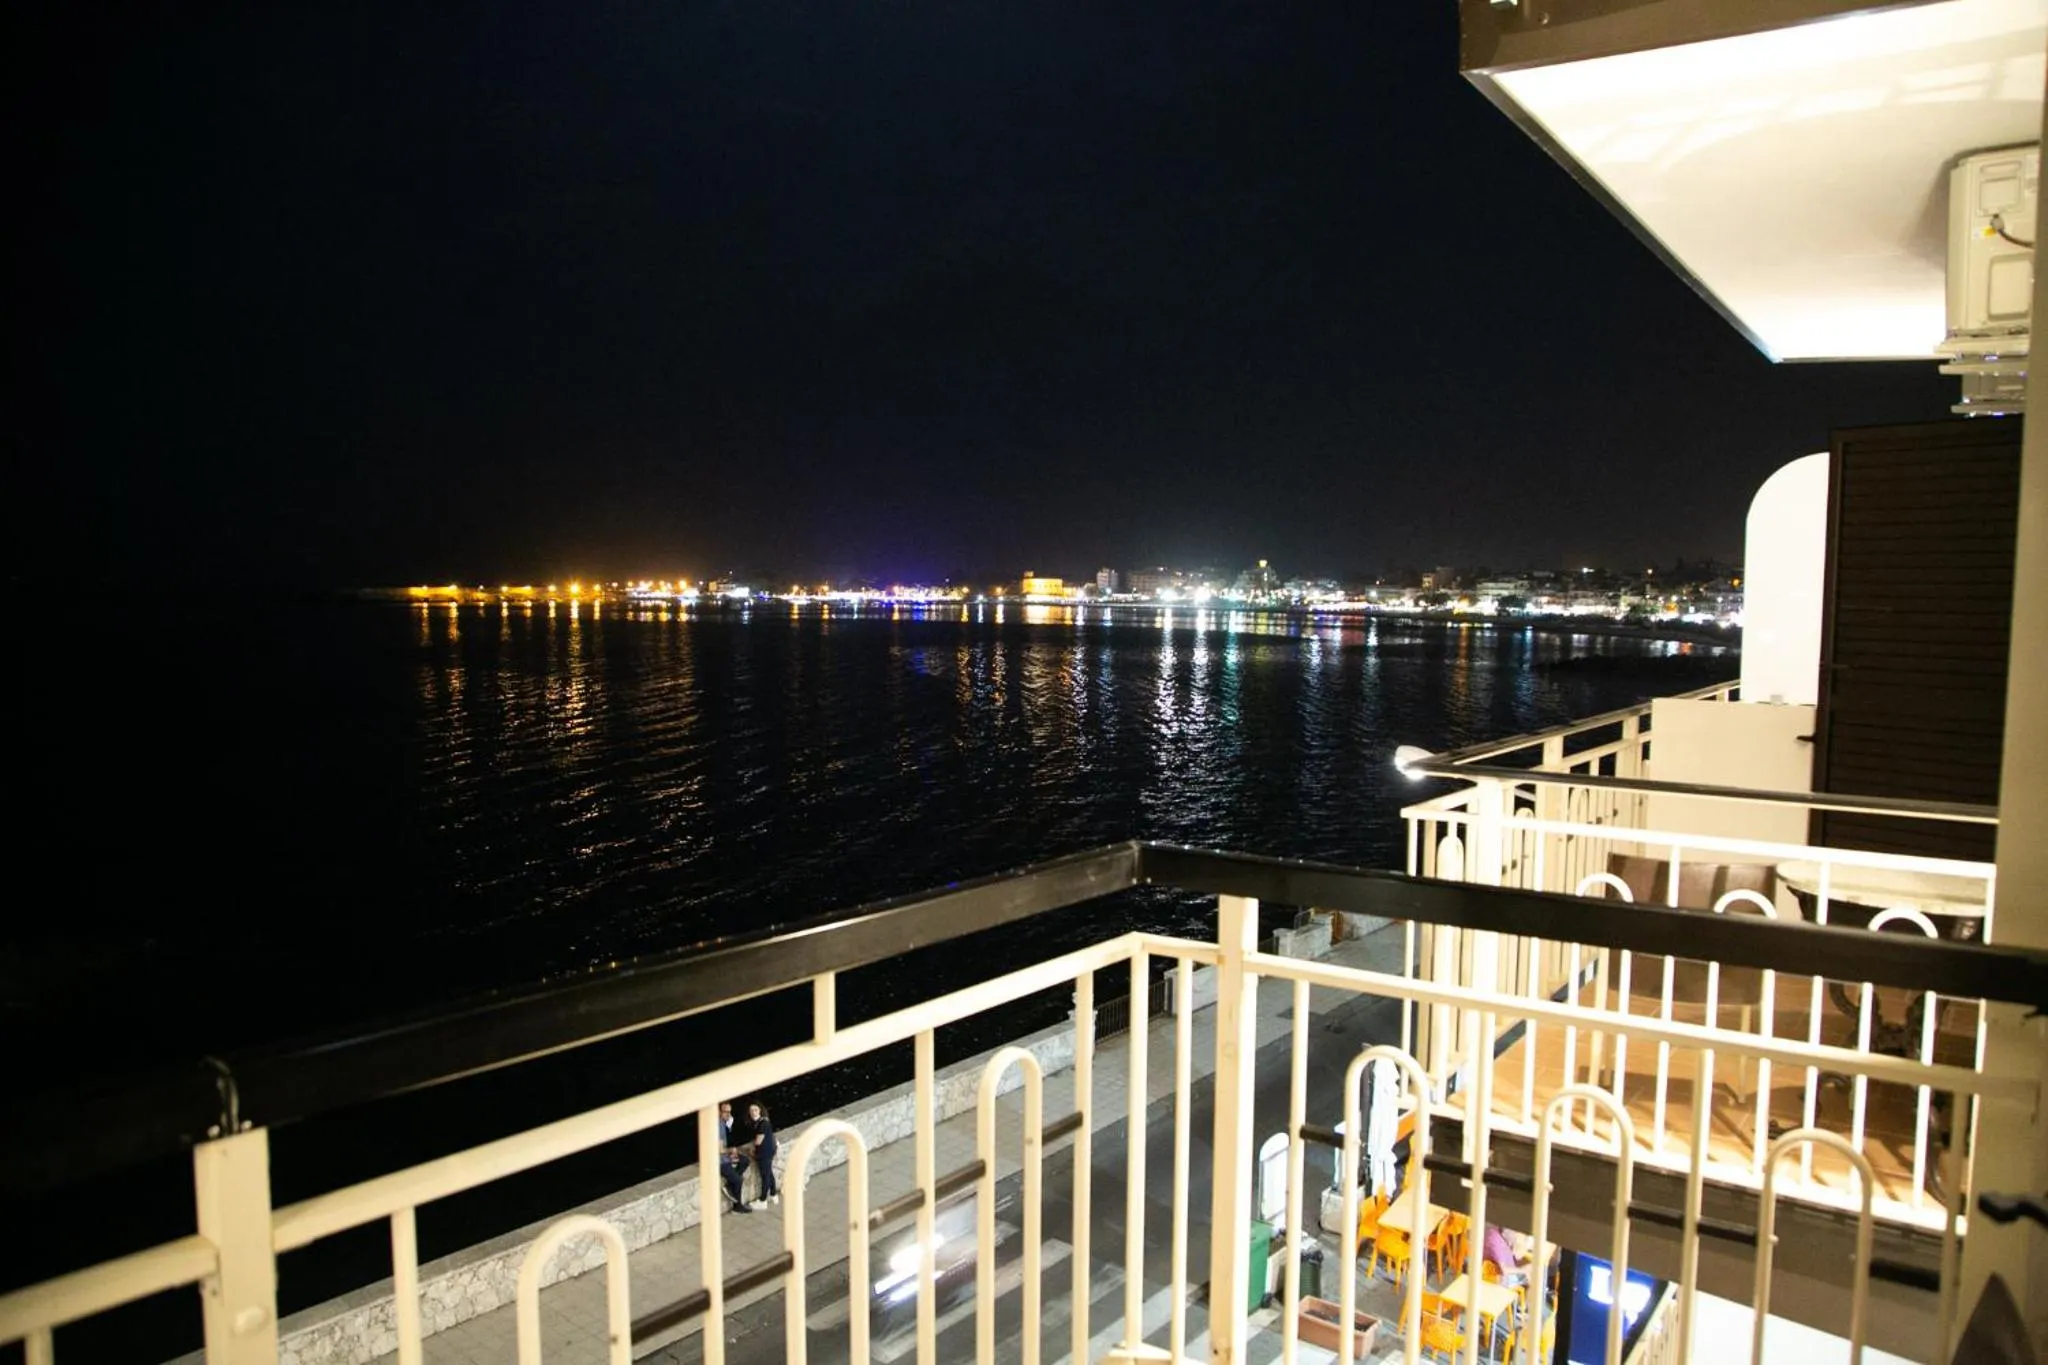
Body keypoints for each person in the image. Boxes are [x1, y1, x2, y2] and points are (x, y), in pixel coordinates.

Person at [745, 1101, 779, 1208]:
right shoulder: (761, 1122)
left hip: (764, 1153)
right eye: (751, 1110)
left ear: (760, 1110)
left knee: (765, 1176)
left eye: (755, 1110)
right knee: (769, 1173)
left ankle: (763, 1200)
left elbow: (758, 1141)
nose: (753, 1112)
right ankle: (773, 1194)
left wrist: (751, 1149)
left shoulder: (762, 1123)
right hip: (768, 1151)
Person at [717, 1102, 747, 1213]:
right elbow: (719, 1150)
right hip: (720, 1161)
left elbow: (729, 1140)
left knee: (744, 1160)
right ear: (719, 1112)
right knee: (739, 1181)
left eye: (729, 1112)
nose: (728, 1114)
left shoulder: (724, 1123)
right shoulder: (718, 1126)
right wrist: (731, 1150)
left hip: (726, 1156)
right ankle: (737, 1206)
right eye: (725, 1112)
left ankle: (730, 1183)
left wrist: (729, 1126)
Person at [1482, 1223, 1533, 1287]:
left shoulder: (1507, 1247)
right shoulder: (1494, 1238)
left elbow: (1504, 1281)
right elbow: (1500, 1280)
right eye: (1525, 1238)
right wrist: (1523, 1275)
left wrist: (1524, 1275)